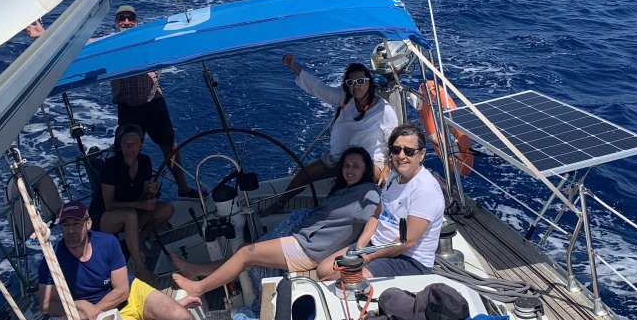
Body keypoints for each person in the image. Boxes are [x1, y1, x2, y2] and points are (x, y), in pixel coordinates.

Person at [171, 147, 380, 298]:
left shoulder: (368, 193)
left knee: (246, 254)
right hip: (304, 240)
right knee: (245, 250)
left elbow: (377, 216)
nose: (349, 170)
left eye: (356, 166)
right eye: (346, 165)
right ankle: (196, 270)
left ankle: (199, 288)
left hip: (308, 250)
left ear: (365, 169)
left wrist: (361, 246)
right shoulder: (345, 189)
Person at [38, 203, 199, 320]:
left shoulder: (108, 243)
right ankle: (160, 318)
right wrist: (80, 305)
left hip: (132, 294)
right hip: (111, 313)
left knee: (183, 318)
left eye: (76, 223)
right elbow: (46, 304)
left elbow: (122, 290)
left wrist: (94, 311)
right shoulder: (52, 259)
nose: (71, 230)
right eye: (66, 225)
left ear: (88, 224)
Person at [319, 124, 445, 280]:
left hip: (407, 259)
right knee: (324, 269)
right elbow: (377, 214)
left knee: (342, 279)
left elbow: (408, 242)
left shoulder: (425, 191)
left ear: (422, 155)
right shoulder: (394, 176)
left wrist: (368, 257)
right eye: (396, 150)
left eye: (409, 151)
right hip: (377, 245)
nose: (401, 156)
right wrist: (361, 247)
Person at [274, 56, 398, 208]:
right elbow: (317, 87)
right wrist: (294, 67)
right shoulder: (343, 98)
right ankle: (278, 204)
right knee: (305, 174)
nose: (356, 87)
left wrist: (388, 168)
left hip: (371, 162)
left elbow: (395, 143)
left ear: (369, 81)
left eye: (360, 81)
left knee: (345, 187)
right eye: (351, 83)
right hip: (339, 159)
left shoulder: (384, 110)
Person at [110, 4, 196, 197]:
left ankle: (183, 187)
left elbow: (175, 39)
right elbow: (81, 45)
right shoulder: (108, 44)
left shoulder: (148, 38)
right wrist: (43, 34)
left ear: (136, 21)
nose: (126, 22)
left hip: (153, 103)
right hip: (128, 108)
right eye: (122, 18)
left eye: (130, 18)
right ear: (115, 23)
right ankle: (128, 197)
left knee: (169, 146)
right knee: (126, 152)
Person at [89, 125, 175, 285]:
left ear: (141, 145)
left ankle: (140, 240)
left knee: (167, 209)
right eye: (125, 144)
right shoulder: (110, 166)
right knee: (130, 215)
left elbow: (143, 196)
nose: (129, 148)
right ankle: (139, 267)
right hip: (104, 217)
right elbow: (109, 205)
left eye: (133, 144)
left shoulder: (145, 161)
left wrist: (151, 193)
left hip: (132, 212)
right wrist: (141, 205)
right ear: (120, 146)